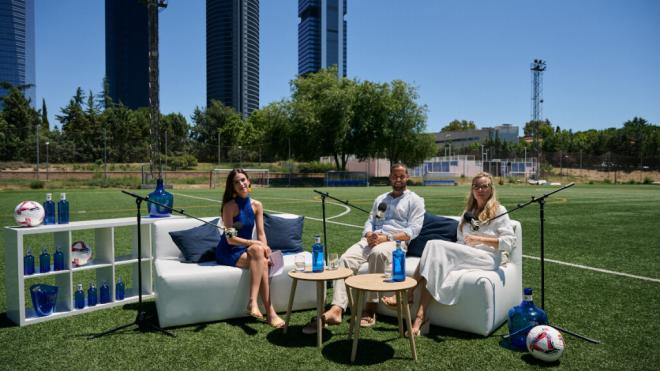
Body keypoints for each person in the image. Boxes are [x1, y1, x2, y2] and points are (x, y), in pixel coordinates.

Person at [382, 172, 516, 336]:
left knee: (434, 245)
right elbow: (461, 241)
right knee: (435, 262)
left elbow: (509, 242)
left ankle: (408, 292)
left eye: (484, 186)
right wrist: (456, 250)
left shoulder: (499, 210)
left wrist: (480, 239)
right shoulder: (468, 212)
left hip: (487, 257)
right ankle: (420, 317)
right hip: (467, 254)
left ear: (491, 189)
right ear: (472, 190)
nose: (480, 189)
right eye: (476, 186)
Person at [303, 163, 425, 334]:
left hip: (394, 242)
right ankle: (337, 309)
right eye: (395, 176)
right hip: (372, 239)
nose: (398, 179)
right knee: (346, 259)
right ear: (389, 177)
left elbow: (413, 230)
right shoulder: (381, 199)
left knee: (378, 253)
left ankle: (371, 307)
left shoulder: (415, 200)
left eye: (401, 176)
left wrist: (387, 237)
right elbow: (371, 220)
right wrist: (368, 234)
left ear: (407, 177)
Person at [216, 168, 285, 329]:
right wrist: (253, 243)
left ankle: (252, 302)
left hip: (246, 248)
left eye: (243, 180)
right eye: (236, 182)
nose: (241, 184)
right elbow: (230, 238)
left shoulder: (257, 205)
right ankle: (270, 312)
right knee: (259, 257)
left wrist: (265, 247)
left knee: (260, 254)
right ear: (232, 187)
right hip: (228, 250)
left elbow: (261, 233)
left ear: (249, 181)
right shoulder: (229, 207)